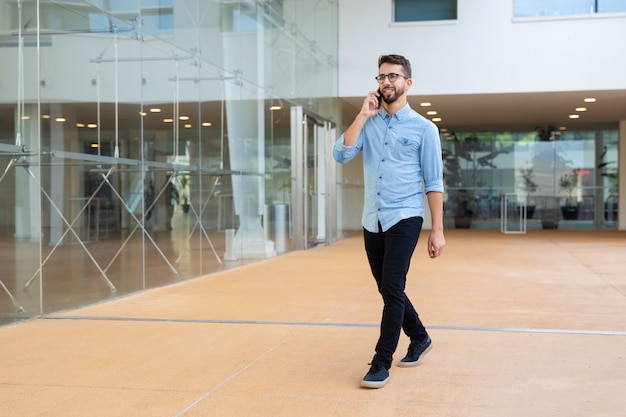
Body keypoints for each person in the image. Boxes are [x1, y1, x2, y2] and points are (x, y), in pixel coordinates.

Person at [332, 54, 446, 389]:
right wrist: (363, 114)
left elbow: (434, 182)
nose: (386, 82)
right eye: (382, 76)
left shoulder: (425, 129)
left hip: (405, 216)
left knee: (393, 286)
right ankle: (420, 336)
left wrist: (437, 231)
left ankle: (381, 362)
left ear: (407, 83)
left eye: (393, 76)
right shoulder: (369, 122)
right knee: (387, 288)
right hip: (373, 219)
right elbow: (341, 154)